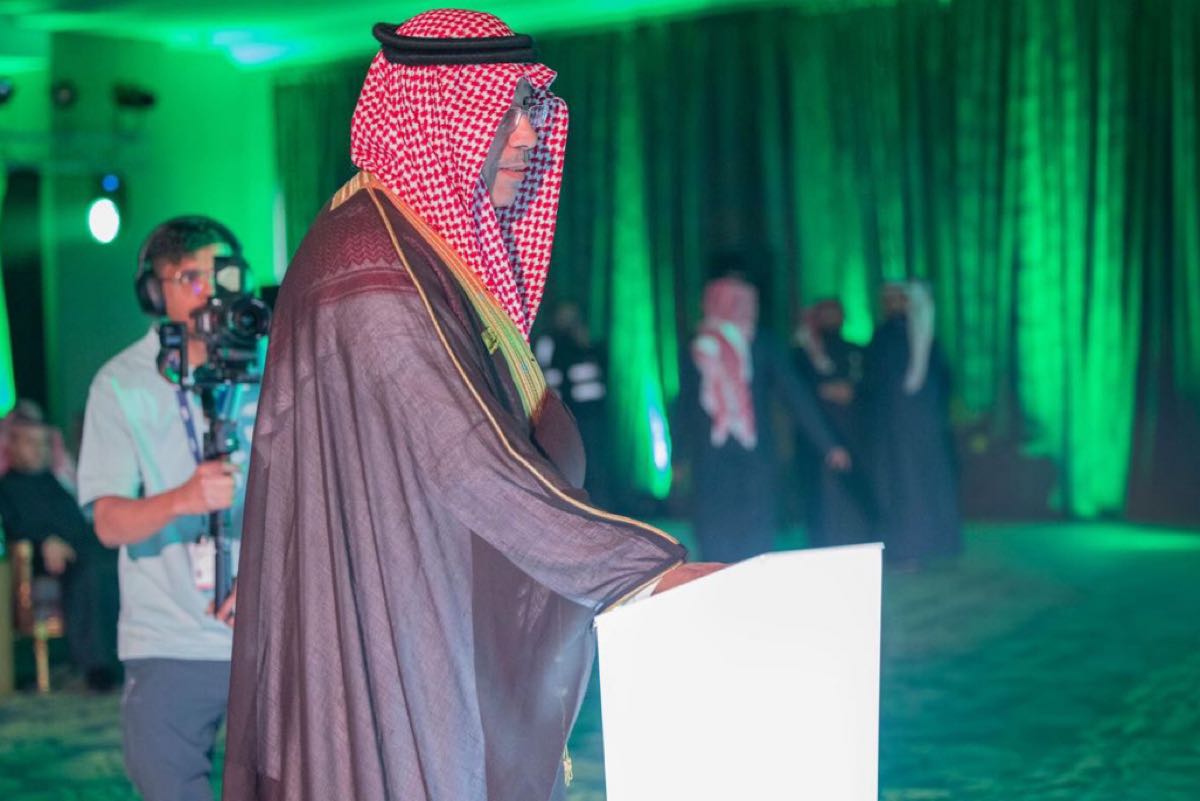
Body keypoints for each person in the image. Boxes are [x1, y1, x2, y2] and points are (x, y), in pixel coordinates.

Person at [223, 11, 716, 801]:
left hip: (421, 596)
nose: (528, 135)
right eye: (507, 111)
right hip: (391, 615)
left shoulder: (406, 244)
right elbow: (467, 462)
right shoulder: (371, 266)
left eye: (529, 109)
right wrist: (639, 570)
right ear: (440, 118)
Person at [76, 216, 258, 801]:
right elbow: (108, 522)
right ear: (156, 294)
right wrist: (184, 498)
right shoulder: (121, 383)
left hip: (267, 634)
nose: (211, 292)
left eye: (222, 275)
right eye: (190, 278)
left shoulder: (270, 367)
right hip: (169, 641)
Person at [675, 271, 851, 563]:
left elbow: (795, 396)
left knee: (756, 535)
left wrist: (828, 444)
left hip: (754, 456)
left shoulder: (761, 344)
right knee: (715, 535)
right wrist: (678, 457)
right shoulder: (698, 348)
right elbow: (685, 405)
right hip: (711, 459)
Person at [0, 400, 119, 689]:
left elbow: (76, 521)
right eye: (30, 443)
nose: (38, 450)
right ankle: (95, 666)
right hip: (41, 562)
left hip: (80, 550)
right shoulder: (8, 487)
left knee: (115, 560)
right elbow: (14, 528)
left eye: (43, 444)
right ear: (13, 445)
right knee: (90, 570)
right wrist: (45, 541)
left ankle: (120, 658)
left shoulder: (50, 481)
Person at [864, 281, 961, 565]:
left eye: (897, 298)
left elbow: (941, 380)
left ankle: (923, 547)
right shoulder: (885, 335)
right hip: (897, 430)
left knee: (919, 486)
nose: (891, 303)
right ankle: (911, 549)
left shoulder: (920, 336)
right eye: (887, 298)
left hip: (917, 428)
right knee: (904, 487)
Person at [794, 299, 875, 546]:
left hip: (855, 433)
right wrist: (821, 390)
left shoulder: (856, 351)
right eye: (824, 314)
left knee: (854, 491)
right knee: (822, 495)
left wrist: (852, 392)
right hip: (817, 440)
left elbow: (871, 385)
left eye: (834, 313)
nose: (830, 319)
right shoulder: (801, 355)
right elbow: (795, 392)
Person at [533, 301, 612, 505]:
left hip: (591, 414)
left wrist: (584, 344)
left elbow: (601, 368)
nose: (569, 322)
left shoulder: (586, 340)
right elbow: (547, 370)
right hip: (562, 414)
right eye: (565, 316)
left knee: (595, 459)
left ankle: (599, 503)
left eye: (573, 317)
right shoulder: (548, 342)